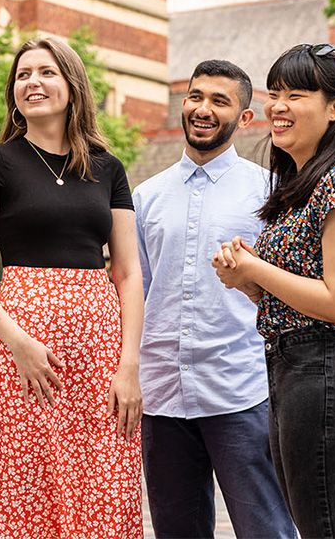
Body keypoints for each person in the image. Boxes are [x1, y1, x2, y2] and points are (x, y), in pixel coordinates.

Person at [0, 37, 144, 538]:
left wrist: (129, 366)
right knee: (19, 477)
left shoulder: (107, 168)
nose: (32, 82)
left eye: (46, 72)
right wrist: (18, 344)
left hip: (99, 356)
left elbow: (127, 273)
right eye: (22, 75)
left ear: (72, 85)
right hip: (24, 354)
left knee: (99, 481)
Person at [212, 43, 335, 538]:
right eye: (276, 94)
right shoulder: (298, 187)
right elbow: (297, 300)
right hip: (294, 371)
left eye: (296, 94)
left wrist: (257, 269)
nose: (279, 106)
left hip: (332, 372)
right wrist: (248, 282)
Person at [132, 59, 295, 538]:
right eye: (196, 96)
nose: (203, 109)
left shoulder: (271, 193)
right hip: (162, 395)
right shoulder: (146, 197)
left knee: (266, 529)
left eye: (220, 101)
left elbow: (287, 292)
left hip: (240, 390)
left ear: (245, 118)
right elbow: (136, 293)